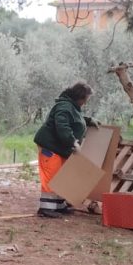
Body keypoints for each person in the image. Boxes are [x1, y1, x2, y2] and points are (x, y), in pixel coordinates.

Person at [32, 82, 99, 218]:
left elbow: (74, 118)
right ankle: (46, 208)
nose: (85, 102)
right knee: (51, 176)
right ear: (79, 97)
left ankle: (59, 206)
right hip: (50, 146)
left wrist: (88, 120)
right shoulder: (64, 106)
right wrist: (73, 142)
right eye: (85, 99)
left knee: (60, 176)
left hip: (60, 148)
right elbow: (62, 127)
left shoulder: (71, 106)